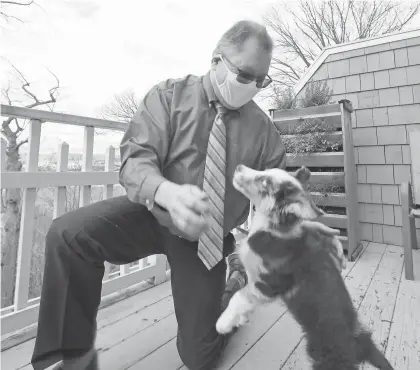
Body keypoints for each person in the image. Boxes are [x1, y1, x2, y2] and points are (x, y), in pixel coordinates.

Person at [31, 20, 286, 370]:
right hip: (152, 214)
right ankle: (71, 358)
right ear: (216, 61)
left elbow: (276, 194)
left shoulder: (264, 131)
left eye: (262, 81)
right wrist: (166, 191)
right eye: (245, 75)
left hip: (206, 238)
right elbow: (135, 160)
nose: (253, 87)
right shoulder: (169, 97)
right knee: (68, 235)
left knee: (200, 356)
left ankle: (235, 278)